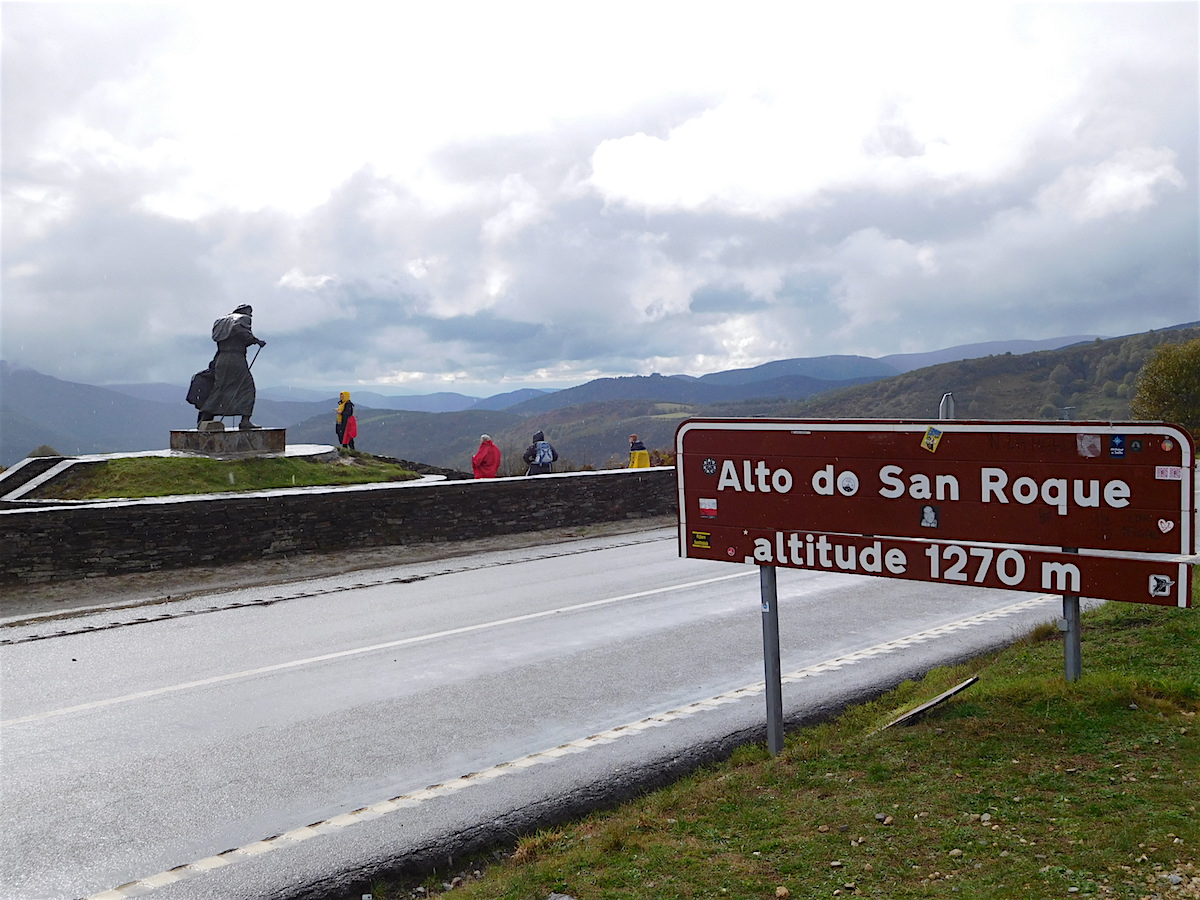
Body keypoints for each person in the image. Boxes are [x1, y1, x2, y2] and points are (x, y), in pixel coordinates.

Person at [199, 304, 266, 429]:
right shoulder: (242, 319)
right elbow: (241, 332)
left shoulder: (221, 322)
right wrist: (256, 340)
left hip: (221, 358)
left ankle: (205, 418)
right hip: (236, 359)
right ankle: (245, 421)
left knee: (219, 387)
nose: (250, 316)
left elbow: (230, 338)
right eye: (250, 312)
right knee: (247, 387)